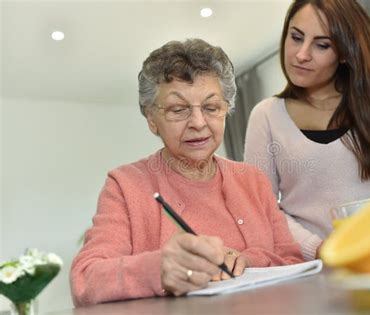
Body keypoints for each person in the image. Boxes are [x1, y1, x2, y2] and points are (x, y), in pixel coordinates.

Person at [70, 38, 304, 306]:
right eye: (178, 110)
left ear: (227, 109)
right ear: (151, 120)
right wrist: (160, 269)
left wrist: (249, 260)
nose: (198, 123)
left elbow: (293, 261)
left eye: (211, 107)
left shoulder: (252, 180)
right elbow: (84, 280)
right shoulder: (125, 185)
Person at [244, 0, 370, 261]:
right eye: (296, 37)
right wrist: (318, 249)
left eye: (322, 45)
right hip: (308, 267)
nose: (301, 54)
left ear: (344, 53)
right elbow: (262, 208)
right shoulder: (265, 116)